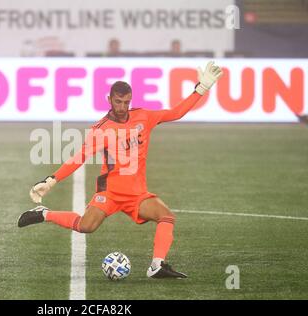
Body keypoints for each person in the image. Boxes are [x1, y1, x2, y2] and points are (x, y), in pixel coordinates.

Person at [18, 61, 223, 279]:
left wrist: (201, 89)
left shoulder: (144, 116)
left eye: (126, 102)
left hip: (138, 194)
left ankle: (157, 265)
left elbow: (176, 113)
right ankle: (45, 214)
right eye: (118, 101)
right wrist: (51, 180)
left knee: (166, 217)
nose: (122, 107)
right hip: (111, 193)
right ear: (109, 100)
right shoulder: (101, 129)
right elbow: (78, 158)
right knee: (86, 226)